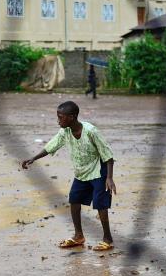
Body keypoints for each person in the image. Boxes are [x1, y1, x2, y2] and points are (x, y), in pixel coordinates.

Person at [21, 100, 116, 251]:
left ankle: (107, 239)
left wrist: (109, 178)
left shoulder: (91, 131)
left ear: (72, 117)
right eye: (58, 117)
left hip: (99, 171)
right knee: (74, 200)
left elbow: (108, 155)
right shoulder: (64, 132)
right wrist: (34, 158)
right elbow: (51, 145)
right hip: (81, 172)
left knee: (100, 204)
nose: (58, 120)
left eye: (61, 117)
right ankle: (79, 236)